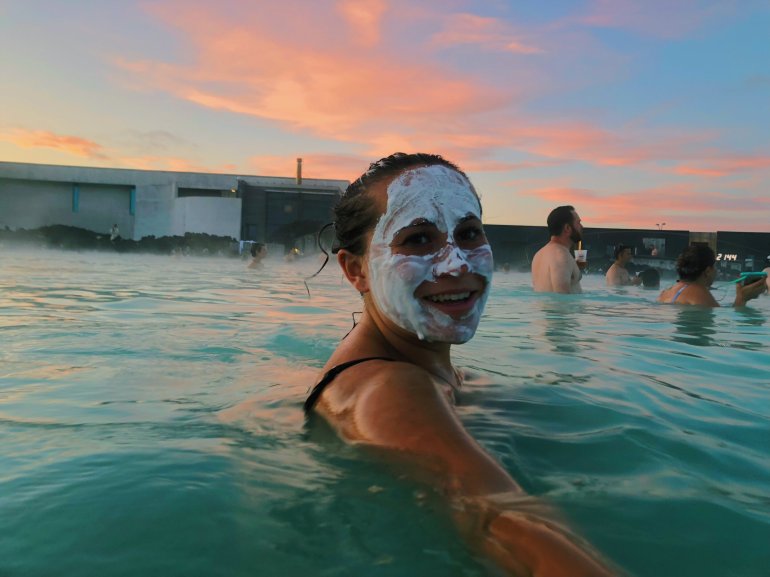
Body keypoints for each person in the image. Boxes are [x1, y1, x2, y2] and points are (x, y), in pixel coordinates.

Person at [304, 153, 615, 577]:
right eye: (417, 240)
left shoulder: (404, 371)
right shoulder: (392, 386)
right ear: (356, 270)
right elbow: (496, 519)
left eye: (469, 234)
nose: (457, 263)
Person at [657, 244, 766, 306]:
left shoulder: (666, 292)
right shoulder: (700, 294)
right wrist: (742, 299)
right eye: (715, 266)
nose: (716, 271)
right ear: (708, 271)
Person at [531, 205, 584, 293]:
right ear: (567, 228)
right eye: (578, 223)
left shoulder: (539, 254)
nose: (581, 227)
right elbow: (561, 302)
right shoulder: (561, 256)